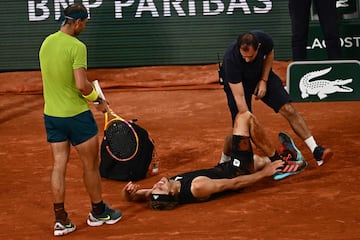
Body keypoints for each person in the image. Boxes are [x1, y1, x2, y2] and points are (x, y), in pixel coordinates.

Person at [39, 3, 121, 236]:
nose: (84, 27)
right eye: (84, 23)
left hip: (52, 116)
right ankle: (98, 212)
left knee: (58, 166)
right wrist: (99, 101)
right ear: (76, 22)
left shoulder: (46, 43)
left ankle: (60, 219)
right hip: (76, 117)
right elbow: (80, 84)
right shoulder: (77, 47)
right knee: (90, 166)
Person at [121, 110, 307, 210]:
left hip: (221, 167)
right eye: (160, 188)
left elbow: (140, 196)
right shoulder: (198, 187)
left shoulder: (165, 190)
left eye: (155, 187)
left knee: (232, 142)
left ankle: (288, 160)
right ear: (170, 194)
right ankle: (280, 162)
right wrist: (265, 175)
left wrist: (128, 193)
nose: (157, 185)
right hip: (236, 172)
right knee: (244, 118)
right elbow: (234, 183)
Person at [219, 30, 333, 172]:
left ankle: (316, 150)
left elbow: (270, 54)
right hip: (238, 85)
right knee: (243, 128)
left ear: (258, 47)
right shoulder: (231, 60)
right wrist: (249, 120)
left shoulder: (264, 39)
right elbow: (239, 97)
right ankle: (226, 160)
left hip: (260, 74)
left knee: (288, 109)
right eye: (244, 57)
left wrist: (263, 80)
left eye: (251, 56)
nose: (247, 60)